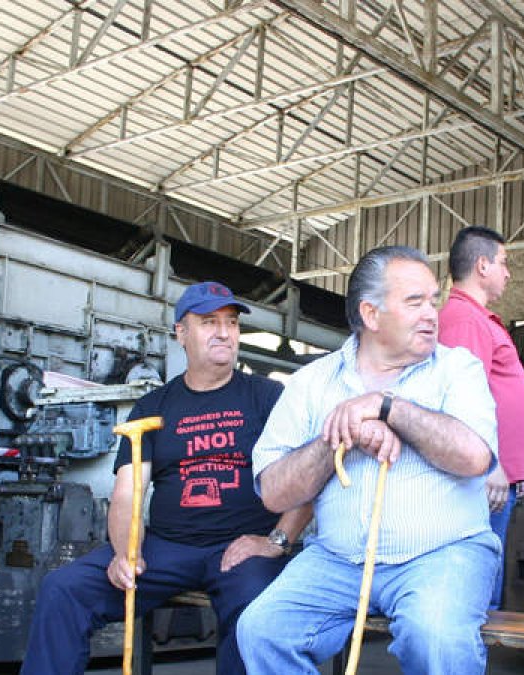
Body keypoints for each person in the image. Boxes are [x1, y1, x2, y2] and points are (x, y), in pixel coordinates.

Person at [21, 281, 312, 675]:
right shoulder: (153, 406)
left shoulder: (268, 397)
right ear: (181, 332)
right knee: (64, 589)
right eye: (209, 322)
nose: (224, 332)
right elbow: (128, 494)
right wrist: (126, 551)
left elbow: (307, 478)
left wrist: (277, 542)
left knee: (254, 612)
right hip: (167, 548)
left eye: (231, 323)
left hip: (243, 547)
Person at [236, 245, 500, 675]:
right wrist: (341, 437)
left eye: (432, 300)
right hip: (337, 559)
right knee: (262, 631)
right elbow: (273, 491)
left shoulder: (458, 369)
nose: (432, 313)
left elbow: (474, 457)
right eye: (415, 302)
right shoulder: (310, 383)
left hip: (443, 552)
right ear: (371, 315)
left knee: (436, 638)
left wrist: (386, 406)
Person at [438, 225, 524, 610]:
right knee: (477, 591)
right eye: (503, 263)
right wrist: (492, 466)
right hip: (482, 480)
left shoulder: (476, 318)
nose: (508, 272)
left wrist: (513, 467)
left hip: (495, 476)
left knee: (486, 584)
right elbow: (462, 401)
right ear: (482, 266)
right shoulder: (465, 320)